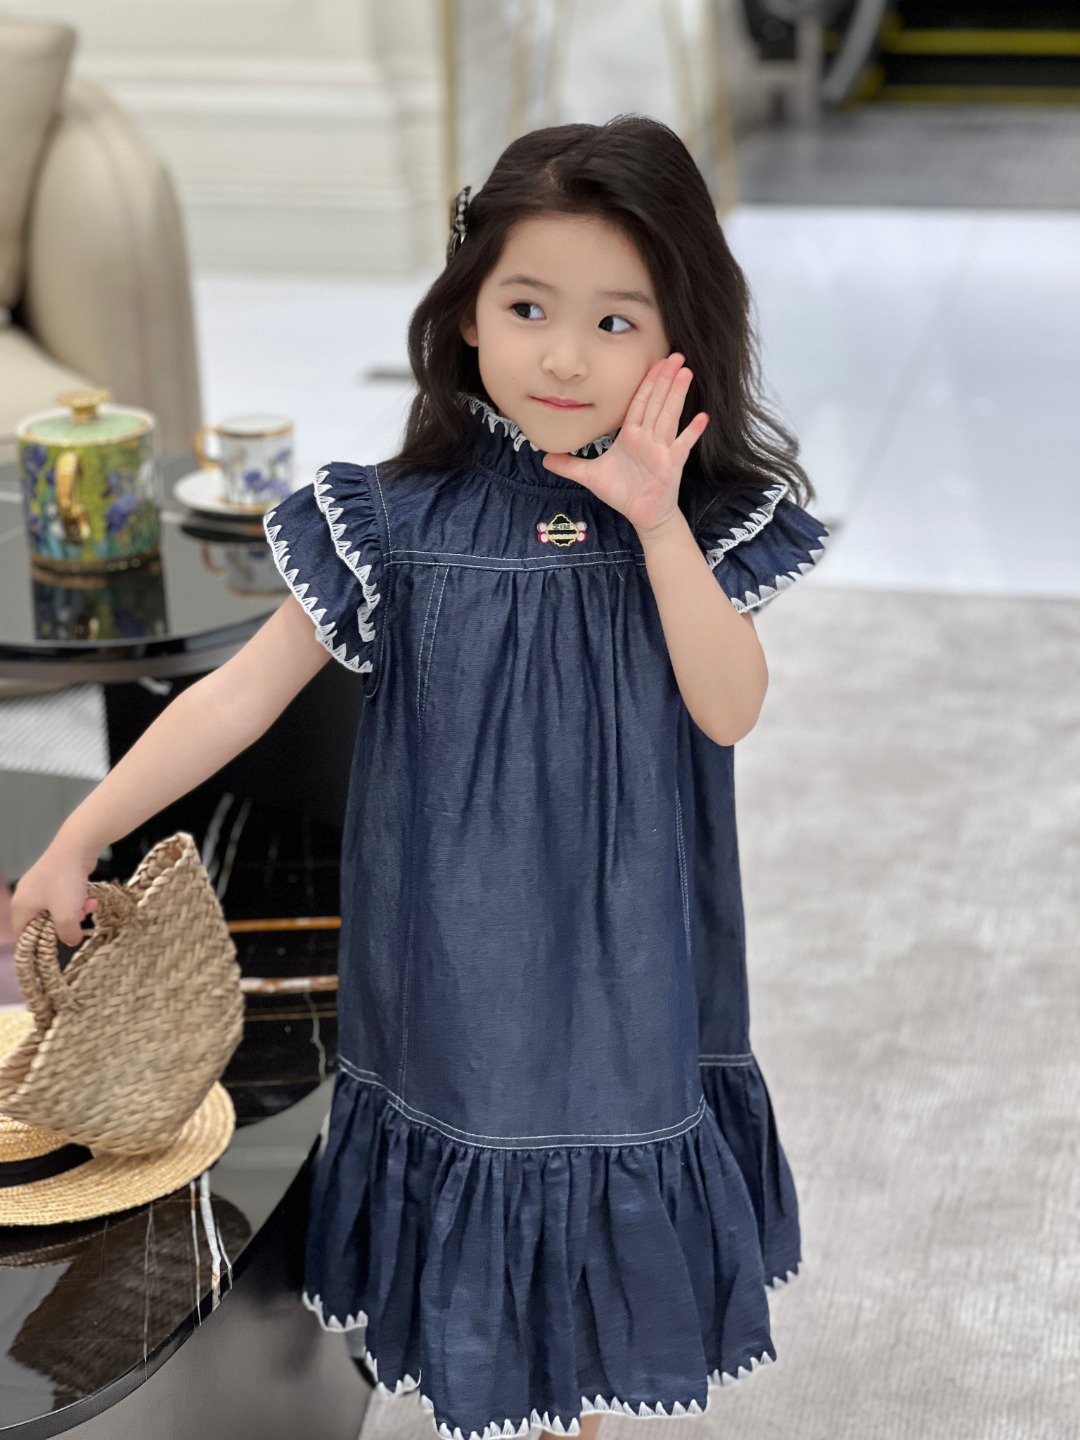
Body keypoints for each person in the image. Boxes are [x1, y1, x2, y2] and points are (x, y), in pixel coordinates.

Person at [11, 115, 830, 1440]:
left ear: (679, 343)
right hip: (460, 961)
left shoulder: (688, 525)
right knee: (481, 1191)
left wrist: (656, 521)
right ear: (465, 317)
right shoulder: (394, 521)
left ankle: (580, 1418)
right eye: (527, 307)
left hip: (628, 958)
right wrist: (78, 837)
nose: (564, 356)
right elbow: (235, 698)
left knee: (598, 1196)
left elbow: (727, 707)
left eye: (615, 322)